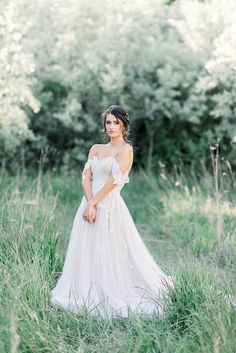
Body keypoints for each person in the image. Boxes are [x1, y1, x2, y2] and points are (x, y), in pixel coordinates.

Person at [50, 105, 173, 319]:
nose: (112, 126)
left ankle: (108, 288)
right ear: (104, 125)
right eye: (108, 122)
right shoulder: (95, 148)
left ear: (124, 125)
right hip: (89, 205)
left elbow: (113, 181)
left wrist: (95, 203)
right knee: (86, 247)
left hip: (109, 206)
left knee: (106, 248)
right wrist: (89, 203)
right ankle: (85, 288)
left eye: (116, 122)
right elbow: (85, 177)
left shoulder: (126, 150)